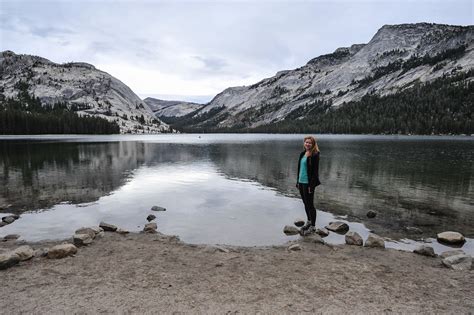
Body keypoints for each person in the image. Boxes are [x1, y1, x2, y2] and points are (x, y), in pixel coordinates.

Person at [296, 136, 321, 235]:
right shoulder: (302, 154)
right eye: (306, 142)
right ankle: (309, 222)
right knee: (305, 204)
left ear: (313, 144)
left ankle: (313, 226)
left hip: (308, 183)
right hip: (301, 182)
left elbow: (315, 172)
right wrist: (297, 181)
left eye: (310, 143)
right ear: (304, 143)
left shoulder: (315, 155)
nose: (307, 144)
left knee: (310, 205)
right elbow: (300, 169)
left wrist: (312, 185)